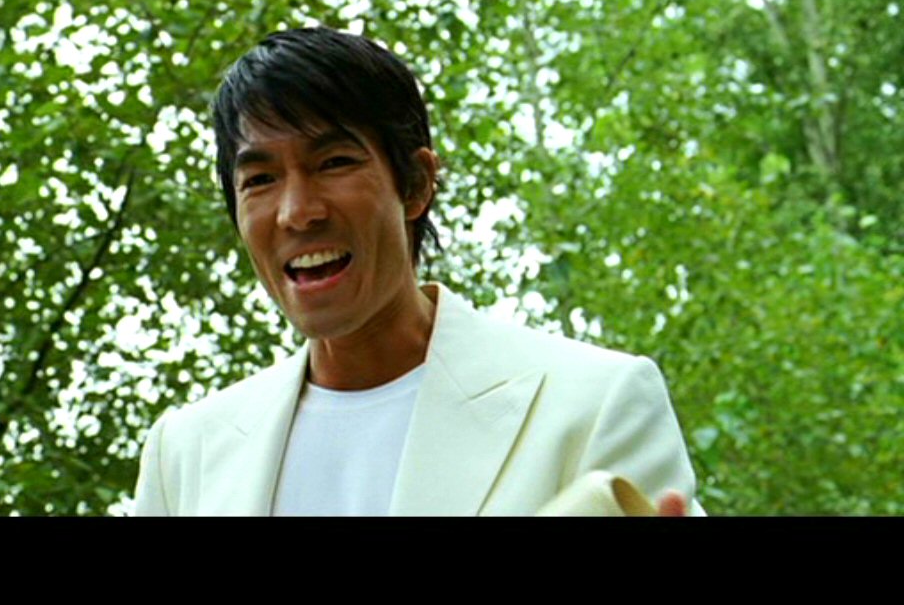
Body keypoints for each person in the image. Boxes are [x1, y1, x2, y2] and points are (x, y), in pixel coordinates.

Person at [133, 26, 704, 516]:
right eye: (260, 179)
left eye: (333, 163)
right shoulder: (185, 452)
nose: (297, 212)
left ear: (416, 185)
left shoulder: (592, 404)